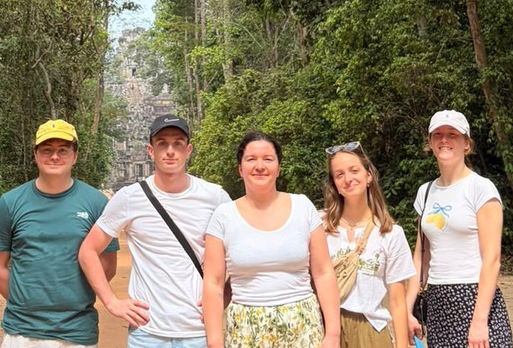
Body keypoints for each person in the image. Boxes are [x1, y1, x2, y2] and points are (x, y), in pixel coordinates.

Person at [78, 113, 231, 348]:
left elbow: (240, 254)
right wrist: (111, 301)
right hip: (147, 333)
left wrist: (224, 296)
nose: (170, 151)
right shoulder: (129, 198)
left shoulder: (215, 197)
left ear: (188, 150)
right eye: (162, 144)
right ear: (151, 151)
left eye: (177, 144)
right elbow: (88, 250)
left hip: (199, 331)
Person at [0, 119, 118, 348]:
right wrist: (25, 300)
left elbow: (107, 266)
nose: (54, 157)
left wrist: (71, 293)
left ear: (74, 156)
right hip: (22, 333)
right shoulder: (10, 203)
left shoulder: (96, 203)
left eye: (62, 150)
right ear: (35, 155)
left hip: (77, 331)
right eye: (47, 150)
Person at [202, 131, 340, 348]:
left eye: (268, 159)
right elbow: (213, 283)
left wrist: (333, 334)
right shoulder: (223, 216)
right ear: (240, 169)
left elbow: (323, 272)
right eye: (251, 159)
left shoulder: (303, 207)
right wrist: (215, 341)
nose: (259, 166)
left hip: (302, 326)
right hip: (245, 329)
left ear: (278, 168)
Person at [407, 110, 513, 348]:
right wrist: (406, 309)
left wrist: (479, 321)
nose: (445, 140)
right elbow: (421, 255)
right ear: (430, 143)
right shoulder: (425, 192)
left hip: (474, 297)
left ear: (466, 143)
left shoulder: (481, 189)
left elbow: (492, 259)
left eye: (452, 134)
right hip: (437, 300)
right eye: (438, 134)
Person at [323, 141, 415, 348]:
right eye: (339, 174)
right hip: (327, 329)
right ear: (334, 184)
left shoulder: (390, 233)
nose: (348, 179)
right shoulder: (320, 228)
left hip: (372, 332)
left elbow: (398, 301)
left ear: (368, 176)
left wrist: (402, 345)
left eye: (354, 170)